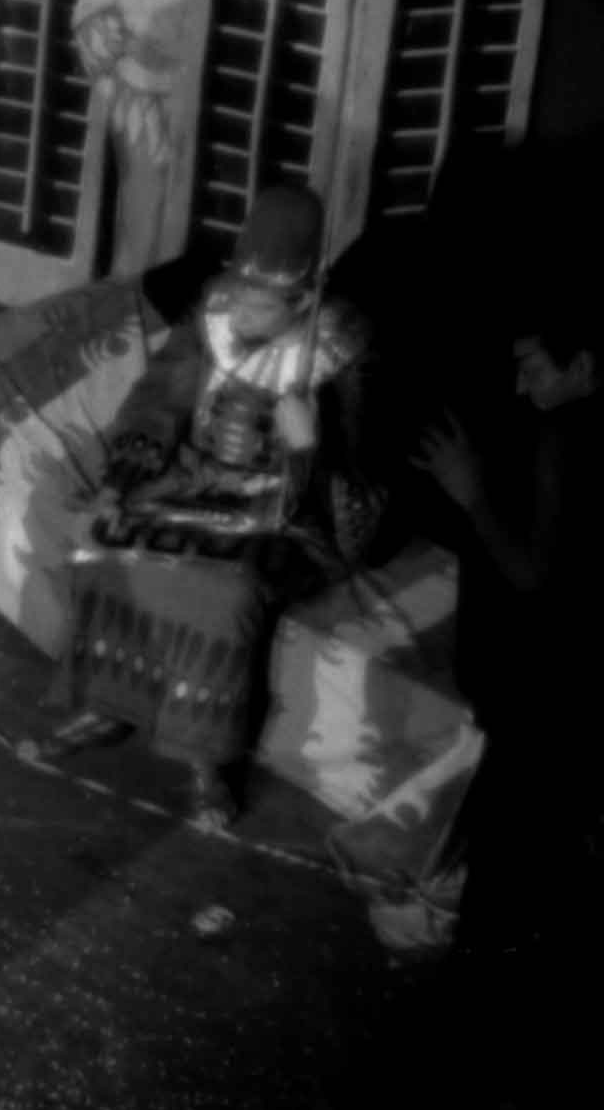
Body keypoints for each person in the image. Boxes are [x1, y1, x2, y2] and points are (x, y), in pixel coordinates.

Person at [26, 182, 376, 830]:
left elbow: (363, 470)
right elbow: (161, 395)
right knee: (99, 540)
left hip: (283, 511)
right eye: (239, 292)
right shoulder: (211, 314)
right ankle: (108, 707)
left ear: (299, 298)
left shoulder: (339, 346)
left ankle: (203, 760)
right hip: (191, 482)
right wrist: (128, 471)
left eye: (261, 302)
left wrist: (308, 439)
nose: (242, 310)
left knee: (224, 592)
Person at [412, 288, 604, 932]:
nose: (520, 386)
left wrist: (471, 493)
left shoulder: (561, 437)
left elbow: (533, 575)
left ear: (584, 368)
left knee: (511, 867)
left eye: (535, 367)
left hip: (564, 687)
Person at [71, 0, 203, 281]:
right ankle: (123, 301)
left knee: (166, 212)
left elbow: (194, 24)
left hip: (177, 98)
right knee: (132, 204)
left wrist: (163, 47)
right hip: (126, 92)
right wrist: (107, 43)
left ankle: (141, 307)